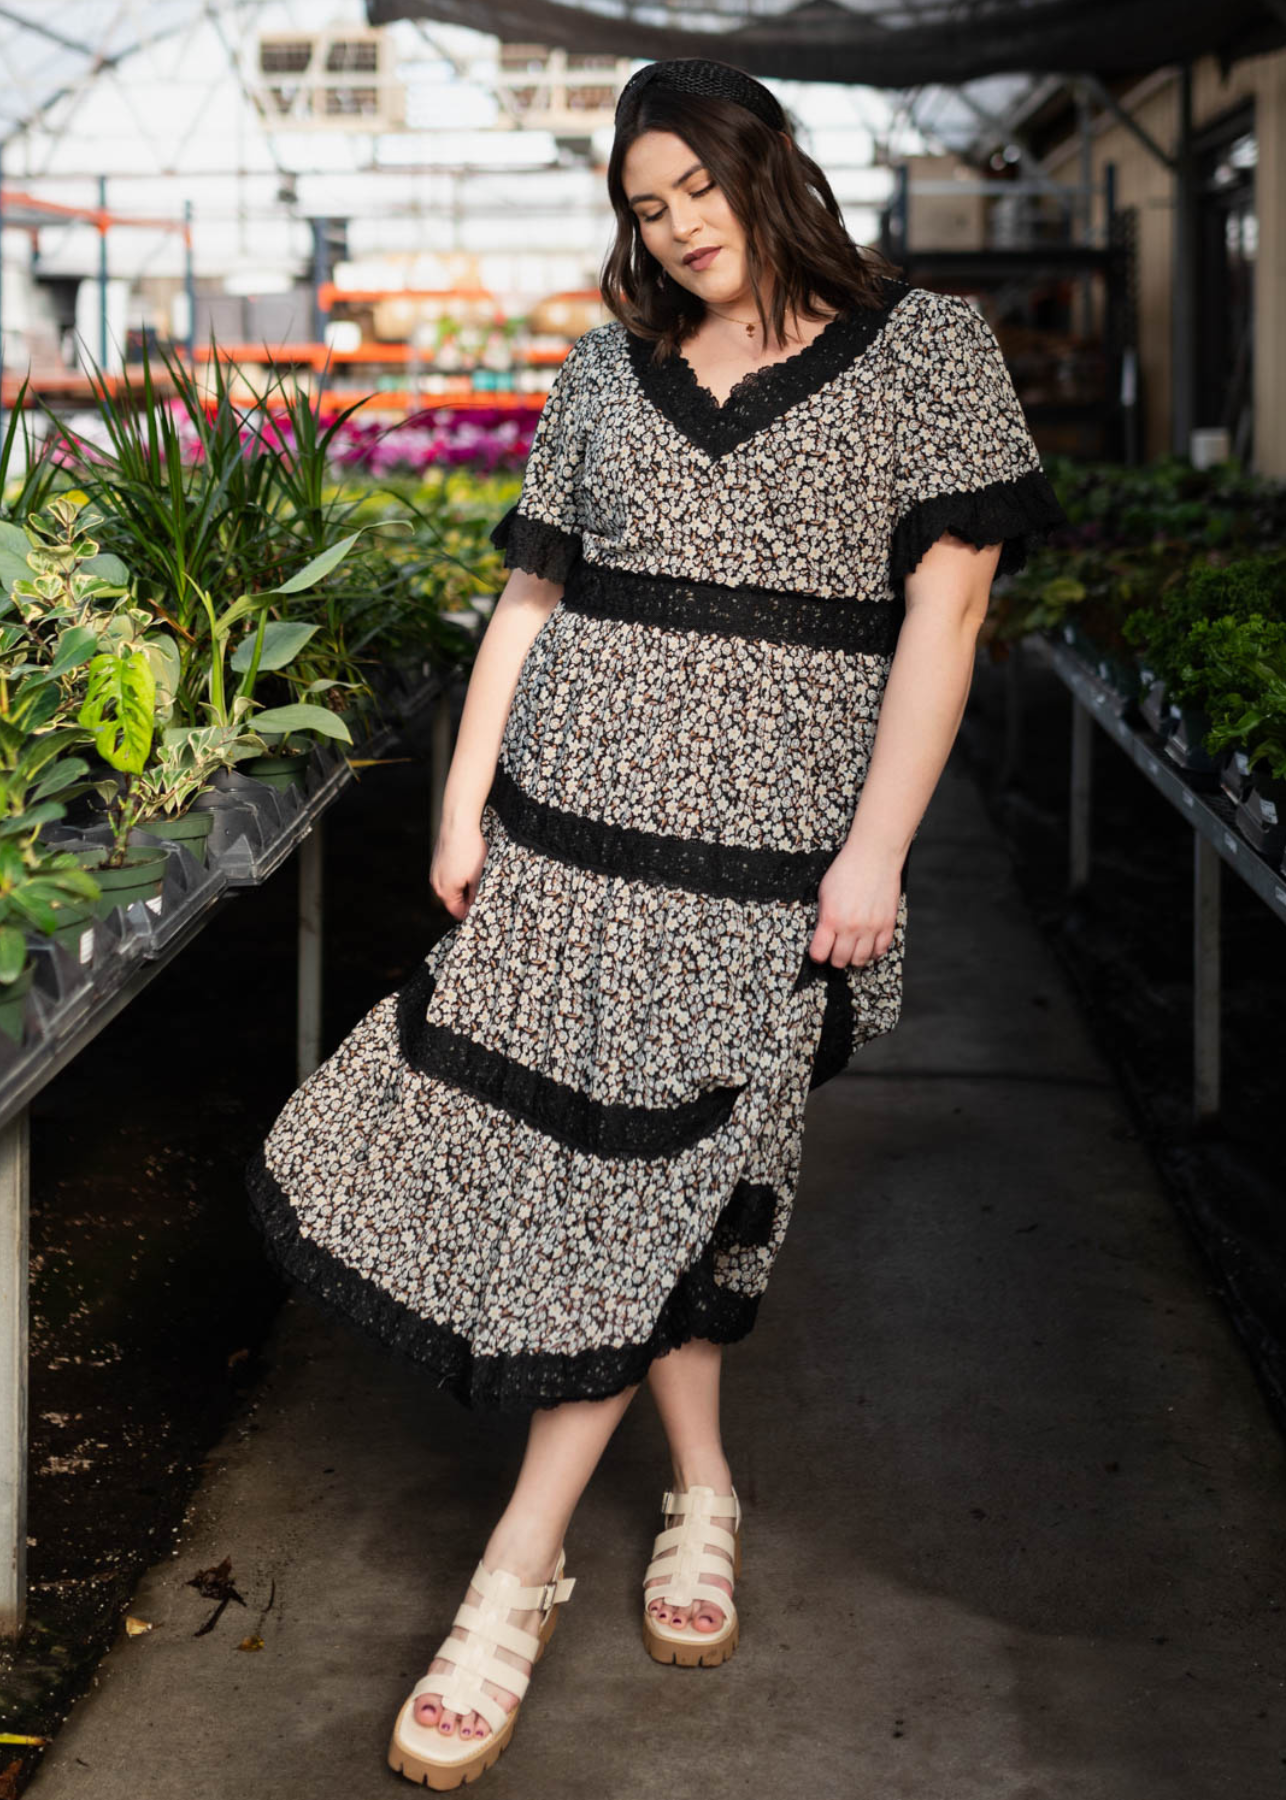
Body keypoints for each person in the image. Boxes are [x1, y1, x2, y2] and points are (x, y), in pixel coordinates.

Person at [246, 54, 1067, 1792]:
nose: (678, 225)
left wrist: (874, 856)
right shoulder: (605, 374)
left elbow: (947, 618)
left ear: (766, 169)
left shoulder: (926, 357)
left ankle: (508, 1579)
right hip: (561, 847)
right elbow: (529, 599)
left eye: (698, 185)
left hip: (761, 873)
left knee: (649, 1180)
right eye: (645, 203)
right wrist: (466, 801)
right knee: (634, 1186)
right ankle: (700, 1496)